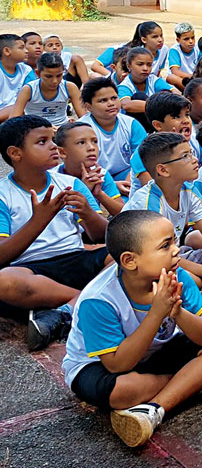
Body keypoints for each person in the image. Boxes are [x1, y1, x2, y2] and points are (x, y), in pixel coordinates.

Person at [61, 210, 202, 448]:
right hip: (100, 366)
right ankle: (198, 381)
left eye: (174, 241)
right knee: (122, 392)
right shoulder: (98, 300)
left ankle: (153, 409)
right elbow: (118, 364)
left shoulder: (176, 275)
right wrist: (157, 312)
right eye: (165, 246)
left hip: (154, 354)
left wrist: (177, 312)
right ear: (130, 260)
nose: (176, 250)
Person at [0, 116, 108, 350]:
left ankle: (65, 309)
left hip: (75, 258)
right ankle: (82, 301)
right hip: (32, 269)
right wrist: (39, 220)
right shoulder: (3, 193)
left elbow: (100, 236)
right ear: (15, 153)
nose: (53, 146)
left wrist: (88, 213)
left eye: (52, 139)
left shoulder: (70, 183)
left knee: (125, 253)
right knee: (4, 281)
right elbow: (2, 256)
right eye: (42, 141)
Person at [122, 133, 202, 292]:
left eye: (192, 153)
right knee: (192, 280)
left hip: (175, 254)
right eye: (185, 156)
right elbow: (162, 257)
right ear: (163, 170)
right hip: (147, 263)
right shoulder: (149, 203)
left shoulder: (189, 190)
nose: (194, 159)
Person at [127, 91, 202, 196]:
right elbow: (157, 192)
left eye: (187, 115)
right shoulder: (143, 153)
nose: (186, 121)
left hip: (187, 200)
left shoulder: (194, 140)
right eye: (176, 117)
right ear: (158, 125)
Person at [78, 77, 148, 189]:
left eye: (114, 98)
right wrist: (112, 185)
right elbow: (80, 166)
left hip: (128, 175)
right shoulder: (81, 129)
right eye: (103, 100)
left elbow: (142, 157)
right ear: (88, 106)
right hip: (96, 179)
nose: (111, 103)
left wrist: (128, 182)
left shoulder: (131, 124)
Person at [54, 122, 125, 216]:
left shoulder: (100, 175)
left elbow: (123, 214)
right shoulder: (53, 178)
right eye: (81, 142)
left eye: (95, 141)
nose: (91, 148)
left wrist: (99, 194)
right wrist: (84, 189)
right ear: (62, 152)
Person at [12, 52, 84, 126]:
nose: (54, 81)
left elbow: (84, 117)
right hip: (35, 129)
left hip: (62, 129)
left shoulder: (70, 87)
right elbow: (13, 120)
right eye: (48, 76)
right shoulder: (29, 89)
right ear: (37, 73)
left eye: (59, 75)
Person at [118, 47, 172, 129]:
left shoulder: (153, 80)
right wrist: (159, 107)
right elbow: (126, 105)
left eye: (149, 65)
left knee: (166, 93)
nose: (145, 68)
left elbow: (175, 93)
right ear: (129, 65)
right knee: (139, 97)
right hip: (133, 126)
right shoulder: (125, 85)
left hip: (155, 121)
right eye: (140, 64)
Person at [0, 34, 36, 121]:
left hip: (19, 110)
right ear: (7, 51)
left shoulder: (26, 70)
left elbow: (32, 94)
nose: (26, 51)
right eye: (21, 48)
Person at [166, 22, 199, 90]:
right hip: (183, 80)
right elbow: (175, 72)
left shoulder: (198, 49)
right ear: (178, 40)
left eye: (192, 38)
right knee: (171, 77)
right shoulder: (174, 50)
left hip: (196, 79)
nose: (191, 41)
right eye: (186, 39)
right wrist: (192, 77)